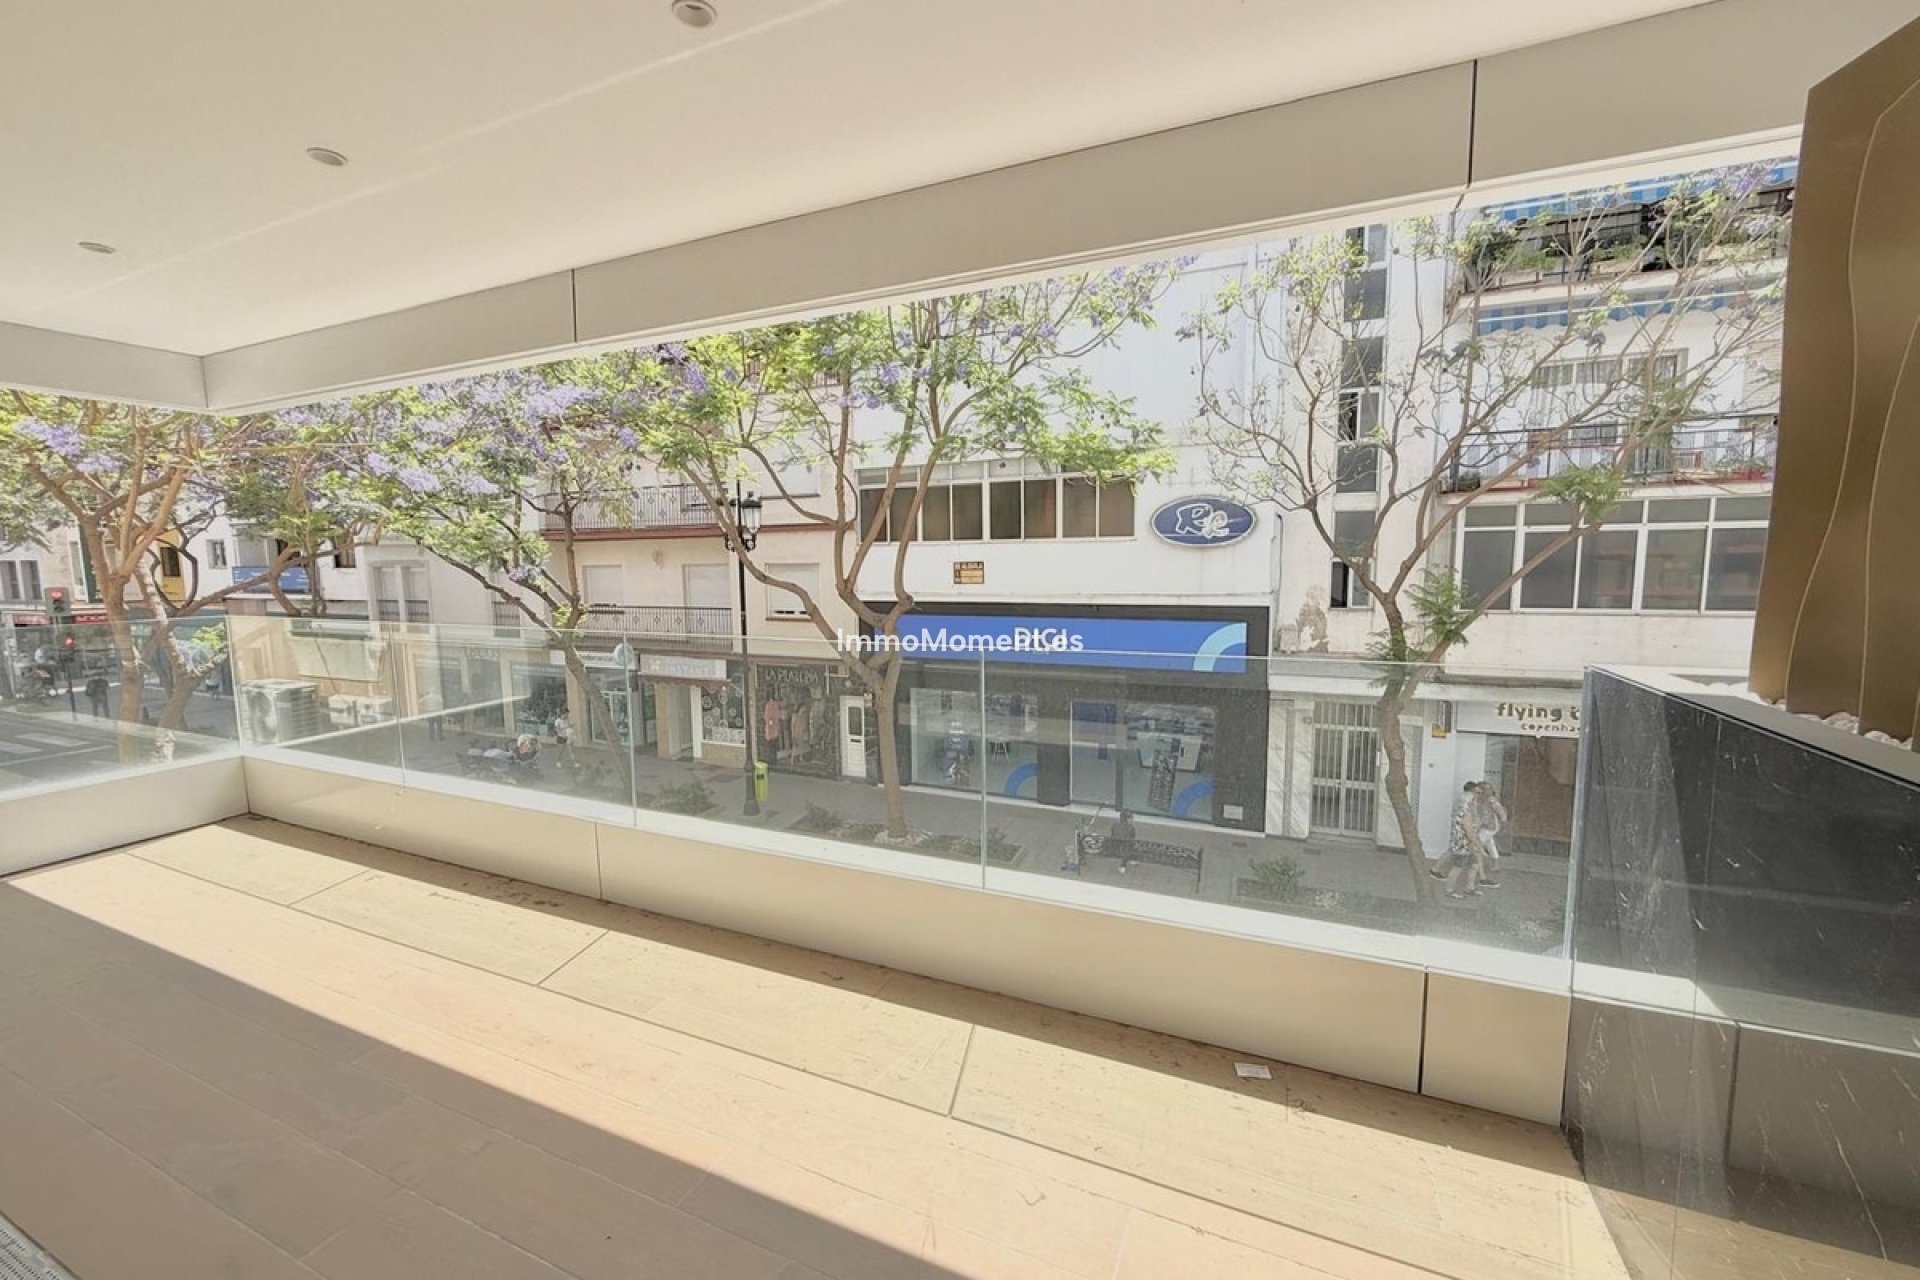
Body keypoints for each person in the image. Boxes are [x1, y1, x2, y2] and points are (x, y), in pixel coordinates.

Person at [1442, 782, 1483, 899]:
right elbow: (1469, 832)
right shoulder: (1465, 814)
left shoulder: (1459, 812)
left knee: (1474, 865)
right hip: (1463, 845)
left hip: (1462, 844)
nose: (1475, 801)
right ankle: (1449, 890)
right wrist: (1478, 844)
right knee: (1458, 867)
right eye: (1473, 799)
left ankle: (1470, 887)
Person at [1469, 781, 1506, 887]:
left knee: (1477, 847)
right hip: (1486, 827)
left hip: (1488, 827)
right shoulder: (1480, 799)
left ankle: (1481, 870)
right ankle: (1494, 863)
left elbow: (1500, 812)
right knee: (1490, 844)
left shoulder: (1489, 800)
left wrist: (1503, 819)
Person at [1110, 809, 1137, 875]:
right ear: (1127, 819)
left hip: (1114, 847)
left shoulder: (1115, 825)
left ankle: (1130, 859)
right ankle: (1123, 866)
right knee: (1130, 845)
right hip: (1125, 850)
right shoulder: (1131, 828)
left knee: (1127, 844)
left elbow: (1112, 835)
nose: (1132, 819)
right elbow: (1132, 838)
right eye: (1131, 818)